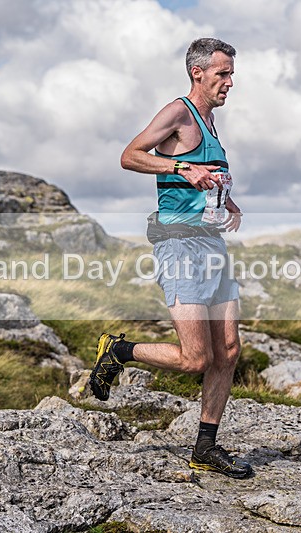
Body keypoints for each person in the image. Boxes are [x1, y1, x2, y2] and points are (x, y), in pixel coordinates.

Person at [88, 38, 251, 478]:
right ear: (198, 73)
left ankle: (205, 447)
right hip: (178, 245)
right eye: (223, 74)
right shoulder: (178, 112)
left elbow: (205, 176)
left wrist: (225, 198)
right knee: (196, 357)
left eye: (231, 74)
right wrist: (182, 169)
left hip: (211, 244)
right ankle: (119, 350)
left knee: (229, 349)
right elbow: (130, 156)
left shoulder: (212, 124)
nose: (230, 82)